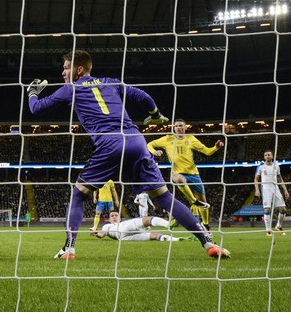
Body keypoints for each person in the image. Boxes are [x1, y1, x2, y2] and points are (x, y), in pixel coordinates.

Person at [27, 50, 230, 260]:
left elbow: (37, 109)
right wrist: (156, 115)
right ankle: (208, 242)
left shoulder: (71, 88)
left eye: (67, 67)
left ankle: (69, 248)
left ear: (79, 70)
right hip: (135, 141)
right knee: (164, 198)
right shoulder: (111, 82)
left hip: (110, 145)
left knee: (78, 195)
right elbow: (143, 96)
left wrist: (32, 92)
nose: (63, 72)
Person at [147, 119, 224, 233]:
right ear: (174, 128)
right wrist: (154, 151)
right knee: (177, 178)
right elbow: (149, 144)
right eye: (176, 126)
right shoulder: (167, 139)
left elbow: (207, 152)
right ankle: (193, 201)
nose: (178, 128)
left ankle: (206, 225)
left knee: (203, 201)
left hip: (193, 174)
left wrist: (216, 147)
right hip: (178, 173)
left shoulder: (191, 139)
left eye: (180, 126)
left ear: (185, 127)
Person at [91, 211, 190, 242]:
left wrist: (97, 233)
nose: (114, 217)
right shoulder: (108, 225)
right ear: (109, 219)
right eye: (112, 216)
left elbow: (101, 235)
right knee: (148, 219)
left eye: (116, 215)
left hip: (124, 238)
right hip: (122, 229)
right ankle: (168, 224)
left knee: (155, 235)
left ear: (120, 218)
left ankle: (178, 239)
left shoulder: (119, 223)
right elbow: (102, 234)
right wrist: (96, 233)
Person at [254, 150, 289, 236]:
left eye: (269, 155)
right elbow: (256, 179)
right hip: (266, 188)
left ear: (272, 156)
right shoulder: (261, 167)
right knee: (267, 209)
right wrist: (257, 190)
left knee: (283, 209)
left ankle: (278, 226)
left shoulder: (276, 167)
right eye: (265, 155)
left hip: (275, 187)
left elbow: (280, 179)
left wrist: (285, 190)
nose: (267, 156)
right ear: (264, 157)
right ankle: (268, 230)